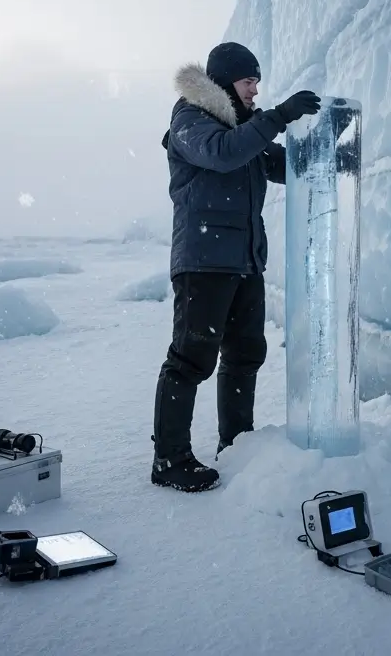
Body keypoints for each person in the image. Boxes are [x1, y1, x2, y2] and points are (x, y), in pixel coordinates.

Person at [152, 41, 321, 492]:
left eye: (257, 84)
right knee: (191, 359)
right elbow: (223, 153)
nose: (255, 91)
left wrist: (327, 156)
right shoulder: (191, 120)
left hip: (245, 262)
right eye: (250, 82)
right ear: (227, 80)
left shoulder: (244, 130)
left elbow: (281, 164)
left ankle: (237, 445)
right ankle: (169, 459)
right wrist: (279, 117)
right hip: (203, 262)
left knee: (246, 355)